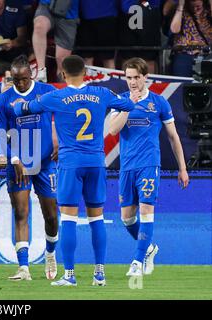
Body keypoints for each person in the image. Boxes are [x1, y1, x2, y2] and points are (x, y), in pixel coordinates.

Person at [14, 55, 136, 286]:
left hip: (70, 163)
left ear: (62, 74)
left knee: (68, 219)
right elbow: (128, 104)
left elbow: (25, 108)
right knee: (96, 217)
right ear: (86, 73)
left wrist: (17, 105)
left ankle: (69, 275)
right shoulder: (101, 93)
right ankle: (99, 274)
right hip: (96, 162)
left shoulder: (56, 96)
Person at [109, 57, 190, 277]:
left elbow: (173, 137)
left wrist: (182, 168)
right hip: (127, 167)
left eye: (136, 77)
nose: (132, 82)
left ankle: (137, 261)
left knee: (146, 210)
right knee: (127, 218)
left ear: (146, 77)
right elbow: (113, 130)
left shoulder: (159, 103)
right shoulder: (120, 100)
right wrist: (129, 106)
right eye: (128, 78)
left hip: (149, 164)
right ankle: (149, 248)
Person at [0, 55, 59, 281]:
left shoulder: (47, 90)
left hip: (45, 162)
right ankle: (23, 267)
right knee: (21, 213)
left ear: (31, 75)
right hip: (18, 164)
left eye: (23, 79)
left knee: (51, 216)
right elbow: (0, 134)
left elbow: (62, 115)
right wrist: (13, 158)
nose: (19, 84)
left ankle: (50, 255)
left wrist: (58, 137)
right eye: (15, 80)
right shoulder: (3, 100)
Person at [32, 0, 80, 82]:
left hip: (69, 12)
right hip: (46, 5)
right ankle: (41, 71)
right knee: (40, 26)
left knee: (62, 61)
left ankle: (62, 90)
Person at [169, 0, 211, 77]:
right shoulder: (180, 10)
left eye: (198, 6)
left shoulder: (208, 10)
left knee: (203, 86)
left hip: (206, 55)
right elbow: (174, 29)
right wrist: (181, 6)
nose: (195, 8)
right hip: (184, 54)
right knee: (182, 85)